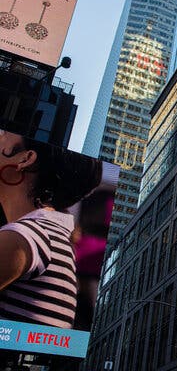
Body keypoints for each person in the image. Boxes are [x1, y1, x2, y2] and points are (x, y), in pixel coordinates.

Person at [0, 130, 103, 328]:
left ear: (26, 159)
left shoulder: (24, 237)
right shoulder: (45, 234)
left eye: (5, 134)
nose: (1, 135)